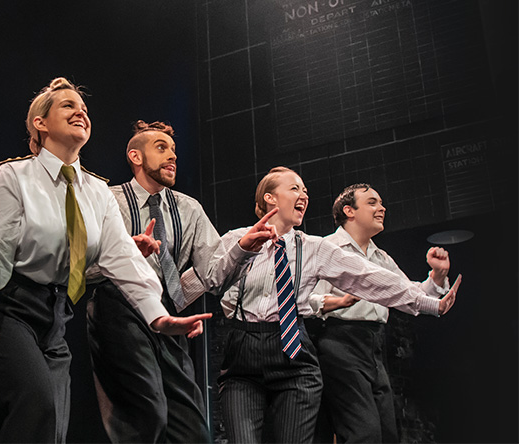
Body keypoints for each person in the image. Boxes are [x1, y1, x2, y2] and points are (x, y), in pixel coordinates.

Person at [0, 78, 211, 443]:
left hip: (54, 312)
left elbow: (124, 259)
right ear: (40, 123)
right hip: (2, 304)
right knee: (37, 406)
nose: (80, 112)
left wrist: (158, 316)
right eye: (68, 106)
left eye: (83, 108)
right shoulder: (14, 177)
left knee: (54, 427)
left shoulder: (97, 192)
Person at [180, 166, 461, 444]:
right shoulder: (236, 238)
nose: (303, 195)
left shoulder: (314, 248)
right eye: (294, 188)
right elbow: (203, 280)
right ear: (270, 198)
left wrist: (430, 303)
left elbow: (371, 278)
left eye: (305, 191)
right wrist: (156, 314)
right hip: (243, 351)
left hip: (293, 354)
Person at [86, 120, 276, 443]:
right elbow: (81, 266)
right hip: (119, 308)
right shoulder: (107, 199)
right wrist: (125, 250)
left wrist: (243, 248)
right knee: (147, 416)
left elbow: (213, 274)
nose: (172, 156)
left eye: (173, 150)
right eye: (161, 148)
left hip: (170, 316)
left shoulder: (189, 209)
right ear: (135, 156)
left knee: (193, 431)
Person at [308, 184, 452, 443]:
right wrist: (340, 301)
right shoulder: (326, 249)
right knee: (364, 433)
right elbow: (306, 300)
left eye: (381, 203)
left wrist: (437, 277)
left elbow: (407, 293)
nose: (381, 208)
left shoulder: (380, 257)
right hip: (340, 342)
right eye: (372, 202)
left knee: (387, 435)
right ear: (349, 211)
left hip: (374, 345)